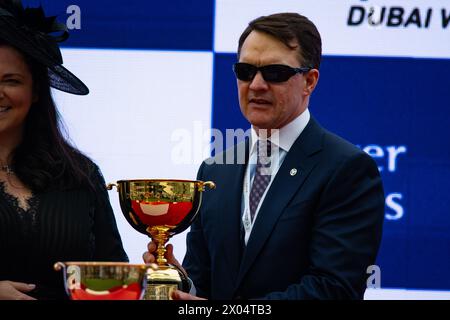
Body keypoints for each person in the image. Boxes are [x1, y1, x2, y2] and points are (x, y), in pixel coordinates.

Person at [143, 12, 384, 300]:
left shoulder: (347, 169)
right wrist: (179, 284)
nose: (256, 84)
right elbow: (206, 286)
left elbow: (333, 290)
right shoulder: (215, 170)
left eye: (275, 73)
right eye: (245, 71)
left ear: (309, 81)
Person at [0, 0, 128, 300]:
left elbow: (113, 276)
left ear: (35, 92)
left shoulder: (80, 174)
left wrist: (164, 277)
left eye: (12, 81)